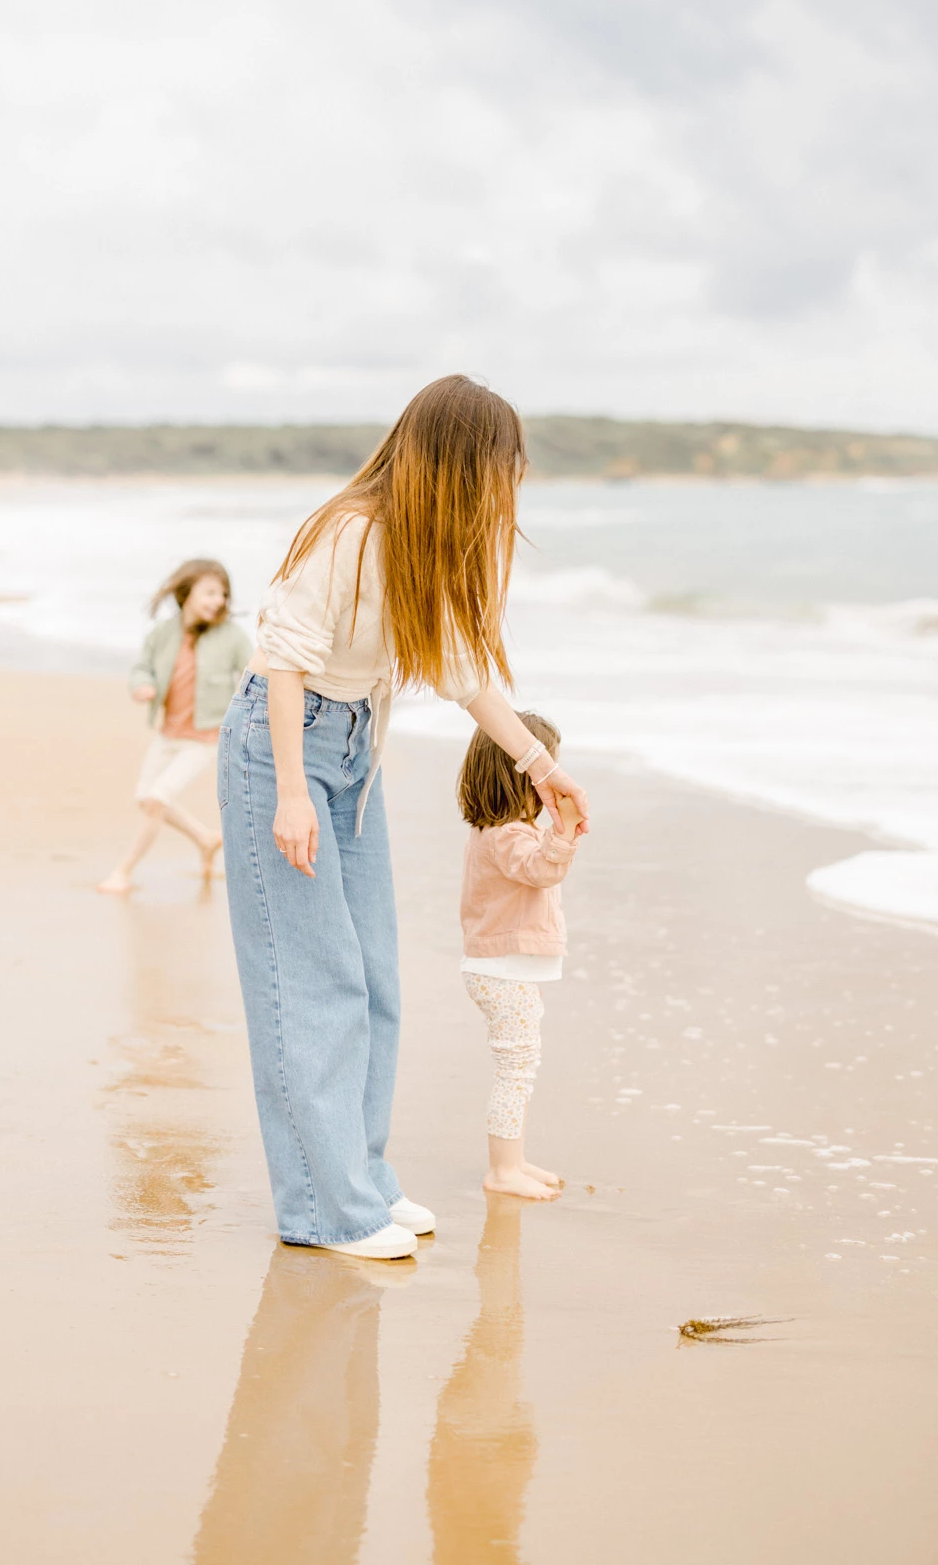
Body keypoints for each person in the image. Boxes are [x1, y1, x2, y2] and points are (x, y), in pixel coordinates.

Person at [218, 374, 589, 1261]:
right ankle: (326, 1208)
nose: (505, 486)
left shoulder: (425, 545)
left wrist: (541, 770)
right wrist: (291, 794)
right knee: (314, 982)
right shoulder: (350, 533)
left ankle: (363, 1177)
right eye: (498, 466)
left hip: (354, 749)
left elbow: (465, 674)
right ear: (457, 462)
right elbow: (282, 659)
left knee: (375, 978)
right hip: (284, 746)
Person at [457, 711, 583, 1201]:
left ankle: (513, 1159)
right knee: (516, 1068)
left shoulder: (500, 831)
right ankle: (503, 1169)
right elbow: (541, 871)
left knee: (520, 1065)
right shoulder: (508, 835)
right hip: (502, 969)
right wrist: (564, 831)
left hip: (503, 968)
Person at [98, 558, 252, 893]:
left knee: (157, 799)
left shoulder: (232, 636)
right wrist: (142, 685)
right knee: (144, 798)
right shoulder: (163, 633)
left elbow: (254, 675)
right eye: (210, 592)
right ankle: (205, 839)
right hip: (168, 735)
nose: (219, 600)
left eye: (223, 594)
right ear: (186, 593)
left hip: (205, 739)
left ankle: (123, 872)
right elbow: (141, 667)